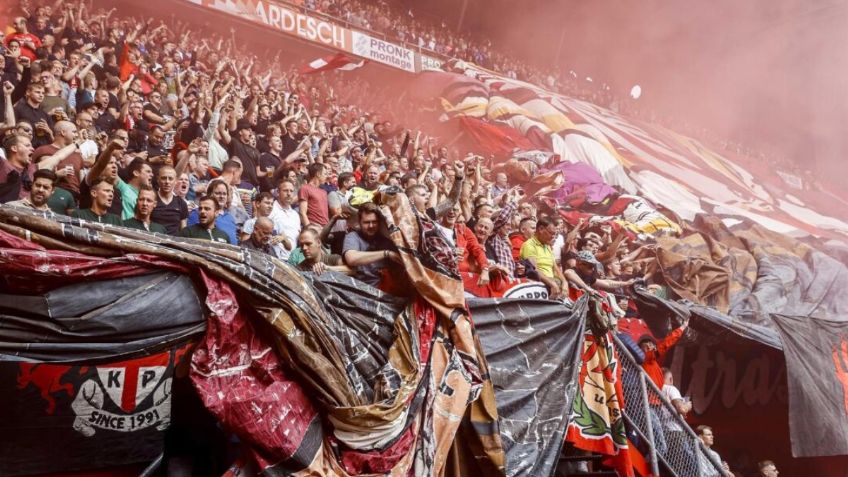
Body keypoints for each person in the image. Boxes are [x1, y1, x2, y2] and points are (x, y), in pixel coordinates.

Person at [342, 202, 401, 288]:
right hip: (362, 289)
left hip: (386, 288)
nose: (371, 226)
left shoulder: (385, 240)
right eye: (366, 222)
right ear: (359, 222)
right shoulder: (353, 237)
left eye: (374, 222)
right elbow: (351, 259)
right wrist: (386, 253)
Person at [520, 218, 567, 298]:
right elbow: (534, 270)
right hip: (539, 285)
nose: (553, 237)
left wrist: (565, 282)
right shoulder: (529, 245)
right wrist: (552, 283)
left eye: (555, 234)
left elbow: (555, 268)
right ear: (541, 229)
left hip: (553, 283)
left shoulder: (547, 246)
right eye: (551, 233)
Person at [186, 179, 238, 244]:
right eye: (218, 193)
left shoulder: (230, 218)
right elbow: (191, 236)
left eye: (224, 194)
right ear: (209, 195)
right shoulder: (198, 212)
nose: (222, 196)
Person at [268, 179, 301, 260]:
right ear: (278, 192)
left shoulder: (295, 215)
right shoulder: (270, 210)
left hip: (293, 260)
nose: (289, 194)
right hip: (275, 257)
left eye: (291, 191)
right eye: (285, 190)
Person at [151, 166, 188, 235]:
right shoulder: (151, 199)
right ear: (158, 179)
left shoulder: (181, 203)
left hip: (174, 240)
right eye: (163, 178)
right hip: (154, 239)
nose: (167, 182)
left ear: (175, 181)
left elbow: (183, 229)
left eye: (170, 179)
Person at [0, 134, 36, 203]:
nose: (33, 149)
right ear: (14, 148)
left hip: (27, 209)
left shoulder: (33, 169)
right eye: (27, 145)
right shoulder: (2, 164)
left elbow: (55, 158)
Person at [298, 163, 329, 227]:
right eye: (325, 174)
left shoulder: (324, 191)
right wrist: (309, 228)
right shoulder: (305, 188)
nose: (327, 176)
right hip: (313, 226)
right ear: (318, 174)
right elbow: (302, 212)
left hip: (325, 227)